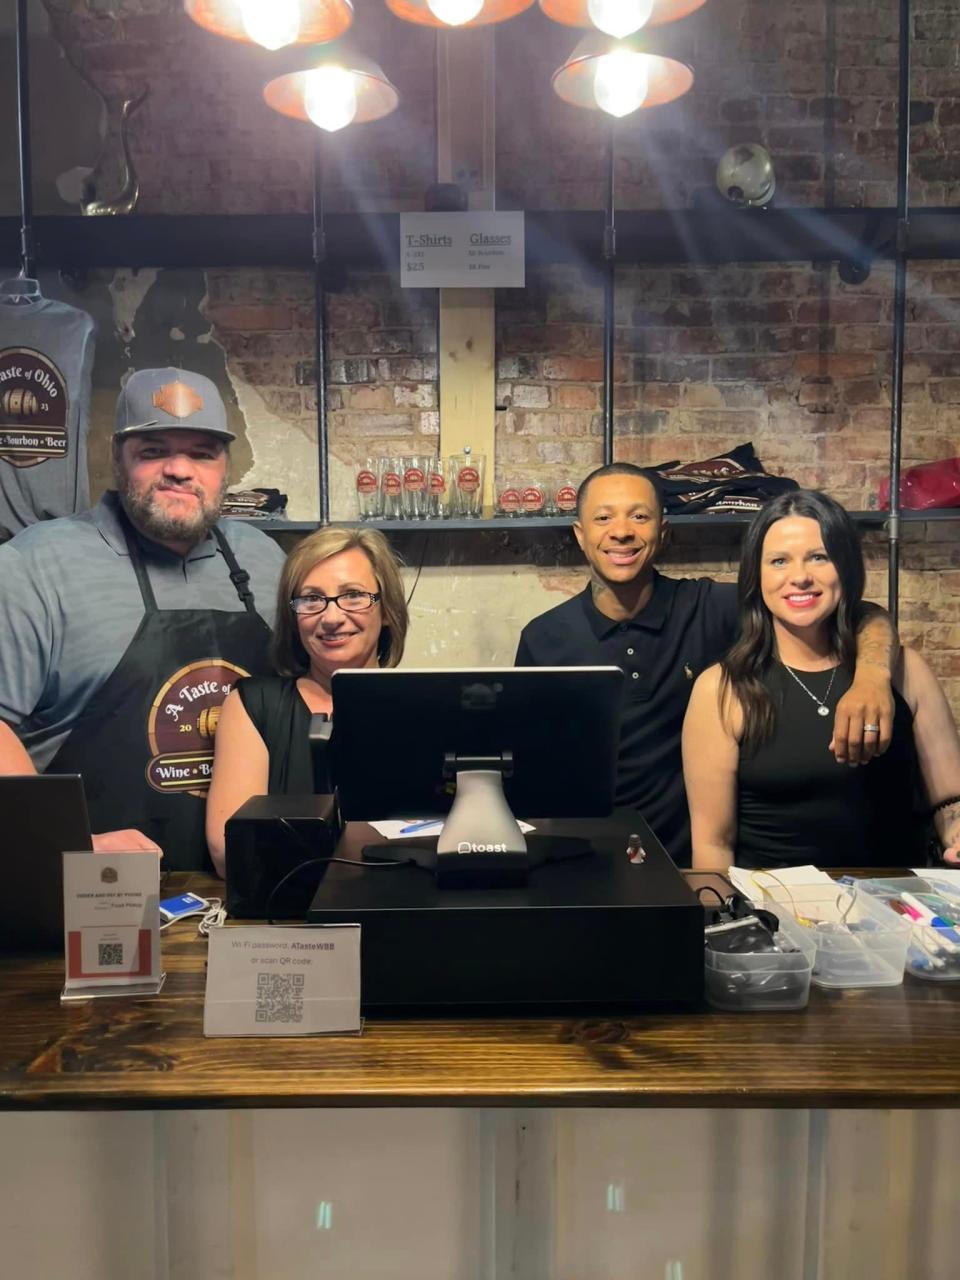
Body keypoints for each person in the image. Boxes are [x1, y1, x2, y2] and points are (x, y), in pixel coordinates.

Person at [516, 463, 898, 864]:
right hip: (582, 861)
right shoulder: (544, 639)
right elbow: (531, 769)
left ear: (663, 533)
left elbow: (861, 613)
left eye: (640, 516)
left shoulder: (711, 608)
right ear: (580, 535)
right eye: (603, 517)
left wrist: (872, 678)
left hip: (686, 862)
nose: (622, 531)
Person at [0, 368, 285, 869]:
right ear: (118, 459)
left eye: (201, 452)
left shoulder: (265, 561)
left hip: (254, 885)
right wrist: (66, 845)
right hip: (97, 895)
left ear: (225, 465)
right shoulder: (35, 566)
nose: (179, 469)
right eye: (153, 451)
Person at [683, 489, 960, 870]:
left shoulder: (905, 670)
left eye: (819, 557)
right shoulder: (722, 689)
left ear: (845, 567)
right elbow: (714, 845)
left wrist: (956, 831)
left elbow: (950, 799)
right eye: (779, 561)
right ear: (756, 575)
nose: (800, 577)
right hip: (776, 915)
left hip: (894, 912)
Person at [206, 525, 409, 875]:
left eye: (353, 595)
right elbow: (230, 850)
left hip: (400, 916)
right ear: (293, 616)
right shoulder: (254, 706)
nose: (331, 617)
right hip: (287, 921)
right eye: (312, 599)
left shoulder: (428, 705)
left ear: (387, 609)